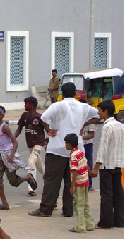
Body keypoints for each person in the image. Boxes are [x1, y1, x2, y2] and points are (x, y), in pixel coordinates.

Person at [29, 82, 100, 218]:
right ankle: (68, 210)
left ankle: (46, 209)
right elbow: (98, 115)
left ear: (62, 93)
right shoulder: (83, 107)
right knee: (71, 180)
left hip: (57, 148)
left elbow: (43, 117)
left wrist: (48, 130)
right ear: (75, 93)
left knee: (52, 181)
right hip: (76, 148)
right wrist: (85, 123)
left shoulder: (57, 105)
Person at [0, 105, 36, 210]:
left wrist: (11, 156)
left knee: (13, 182)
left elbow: (15, 142)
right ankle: (4, 203)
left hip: (8, 155)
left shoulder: (4, 127)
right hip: (0, 156)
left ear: (2, 115)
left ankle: (28, 177)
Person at [91, 99, 124, 229]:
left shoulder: (107, 126)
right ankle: (120, 220)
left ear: (106, 111)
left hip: (107, 165)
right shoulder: (121, 126)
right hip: (118, 163)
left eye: (99, 110)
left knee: (106, 194)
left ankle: (106, 222)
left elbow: (103, 148)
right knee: (118, 193)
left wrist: (96, 167)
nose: (98, 113)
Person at [15, 96, 46, 197]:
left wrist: (47, 142)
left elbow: (48, 129)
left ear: (31, 105)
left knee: (31, 161)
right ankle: (49, 178)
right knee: (39, 164)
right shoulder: (25, 116)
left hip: (39, 144)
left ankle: (31, 186)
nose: (25, 105)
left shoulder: (40, 117)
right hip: (31, 145)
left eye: (26, 103)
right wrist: (12, 139)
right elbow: (19, 129)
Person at [64, 133, 94, 233]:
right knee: (85, 204)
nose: (65, 145)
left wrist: (72, 186)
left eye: (66, 143)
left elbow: (74, 171)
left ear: (69, 144)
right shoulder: (80, 152)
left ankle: (80, 227)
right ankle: (89, 224)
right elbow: (86, 164)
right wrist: (89, 174)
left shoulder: (73, 156)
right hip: (85, 181)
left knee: (79, 205)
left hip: (79, 183)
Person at [78, 98, 95, 191]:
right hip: (77, 144)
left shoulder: (89, 119)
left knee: (88, 164)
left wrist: (81, 137)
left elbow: (92, 134)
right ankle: (80, 183)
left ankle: (89, 184)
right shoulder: (75, 118)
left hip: (87, 144)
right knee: (78, 165)